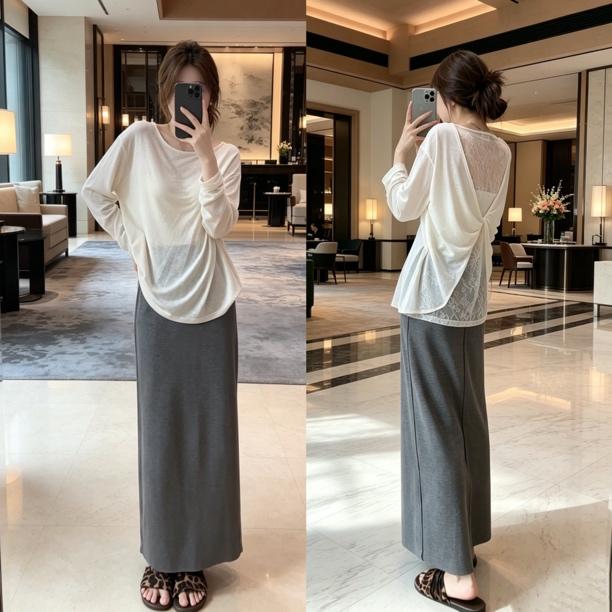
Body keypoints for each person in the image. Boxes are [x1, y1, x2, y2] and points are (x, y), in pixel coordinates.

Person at [80, 40, 243, 611]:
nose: (188, 101)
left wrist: (205, 158)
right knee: (161, 432)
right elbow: (96, 194)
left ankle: (194, 555)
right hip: (157, 304)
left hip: (213, 304)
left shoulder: (226, 156)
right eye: (180, 90)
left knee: (209, 434)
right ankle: (162, 554)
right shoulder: (137, 142)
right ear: (165, 92)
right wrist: (135, 243)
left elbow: (220, 226)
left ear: (211, 96)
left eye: (199, 89)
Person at [381, 49, 512, 612]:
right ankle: (465, 541)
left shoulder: (440, 140)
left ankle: (455, 573)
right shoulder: (502, 150)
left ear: (446, 98)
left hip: (430, 295)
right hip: (471, 299)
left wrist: (399, 157)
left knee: (432, 428)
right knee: (466, 421)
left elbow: (404, 206)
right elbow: (488, 226)